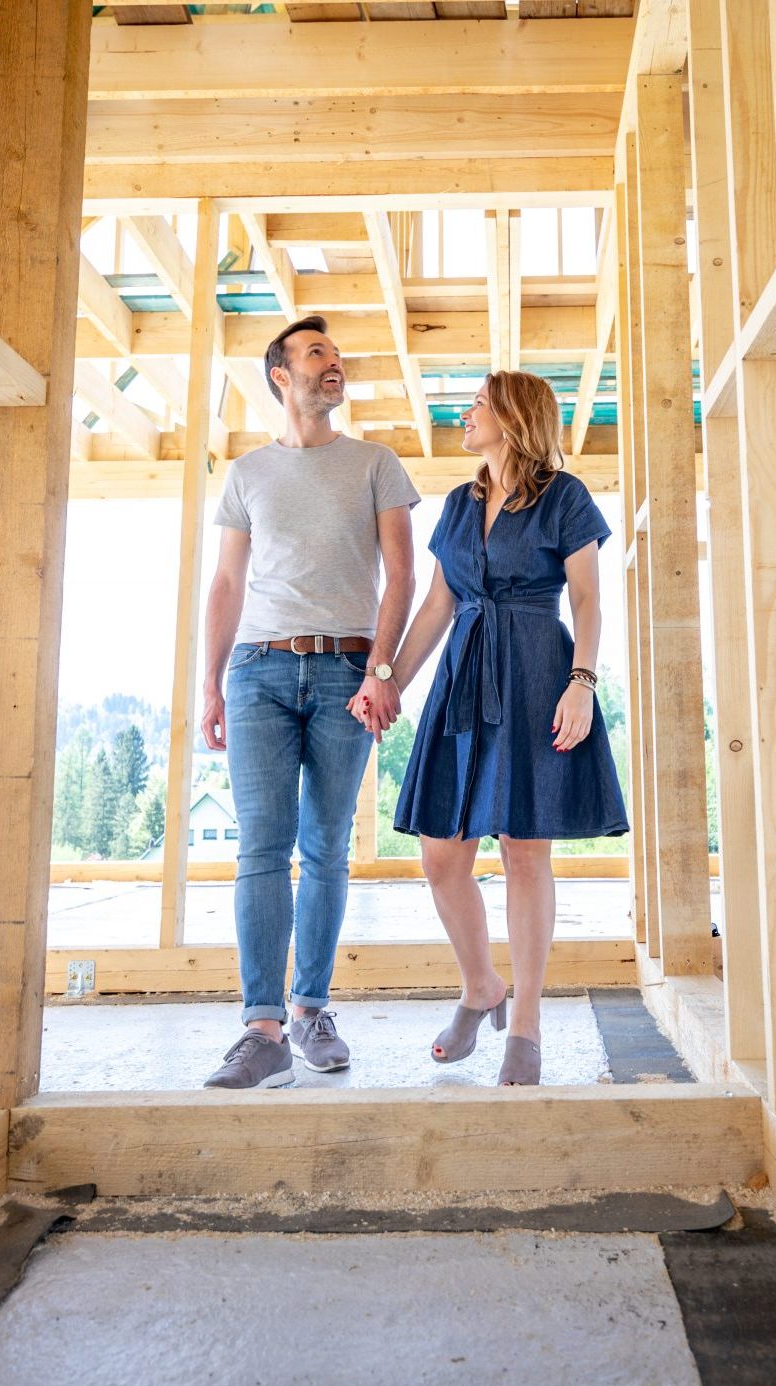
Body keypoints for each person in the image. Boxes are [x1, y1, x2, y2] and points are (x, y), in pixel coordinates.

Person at [360, 371, 627, 1086]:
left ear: (511, 418)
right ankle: (481, 987)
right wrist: (385, 682)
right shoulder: (458, 502)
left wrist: (582, 681)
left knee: (523, 851)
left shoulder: (563, 497)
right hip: (463, 677)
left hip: (539, 669)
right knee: (441, 855)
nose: (464, 413)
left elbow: (589, 598)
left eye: (477, 403)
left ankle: (529, 1021)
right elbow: (438, 607)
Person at [199, 315, 417, 1089]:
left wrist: (381, 669)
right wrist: (210, 682)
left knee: (324, 846)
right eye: (317, 354)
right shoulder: (248, 472)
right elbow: (226, 583)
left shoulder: (375, 463)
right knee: (261, 846)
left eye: (335, 353)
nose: (335, 363)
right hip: (256, 671)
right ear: (281, 377)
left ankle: (311, 1009)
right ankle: (263, 1030)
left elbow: (402, 576)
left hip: (344, 672)